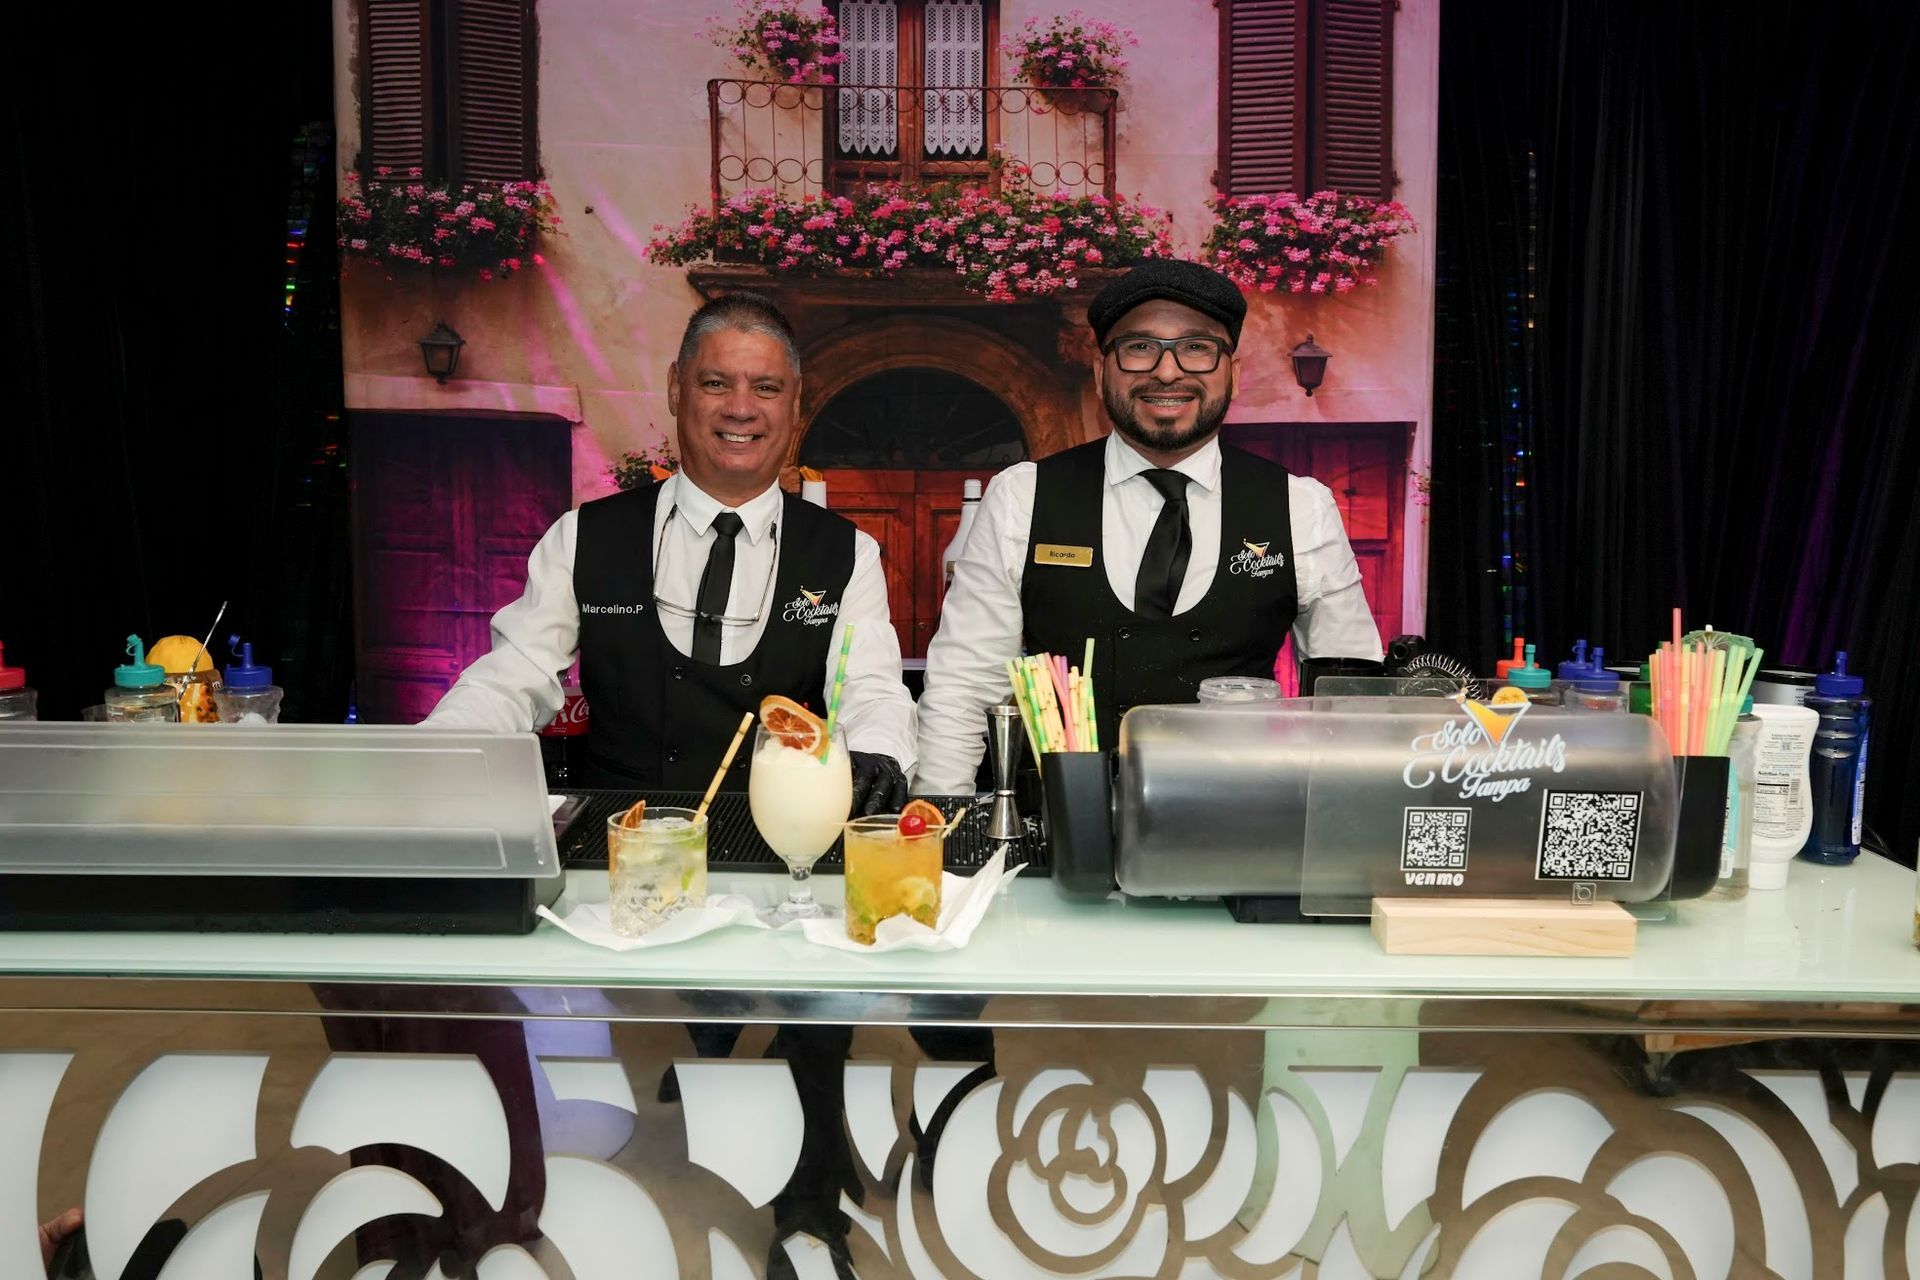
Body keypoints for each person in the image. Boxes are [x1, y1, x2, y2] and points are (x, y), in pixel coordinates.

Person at [426, 292, 915, 810]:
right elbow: (513, 676)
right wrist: (437, 752)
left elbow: (871, 689)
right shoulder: (585, 535)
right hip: (617, 845)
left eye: (766, 388)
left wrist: (876, 755)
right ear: (676, 389)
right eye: (715, 383)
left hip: (777, 843)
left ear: (795, 406)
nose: (741, 408)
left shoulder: (847, 553)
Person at [915, 259, 1384, 788]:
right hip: (1058, 829)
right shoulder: (1022, 496)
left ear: (1232, 373)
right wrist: (942, 820)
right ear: (1100, 372)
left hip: (1242, 826)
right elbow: (963, 685)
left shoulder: (1302, 507)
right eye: (1139, 347)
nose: (1167, 371)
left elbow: (1349, 699)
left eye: (1196, 348)